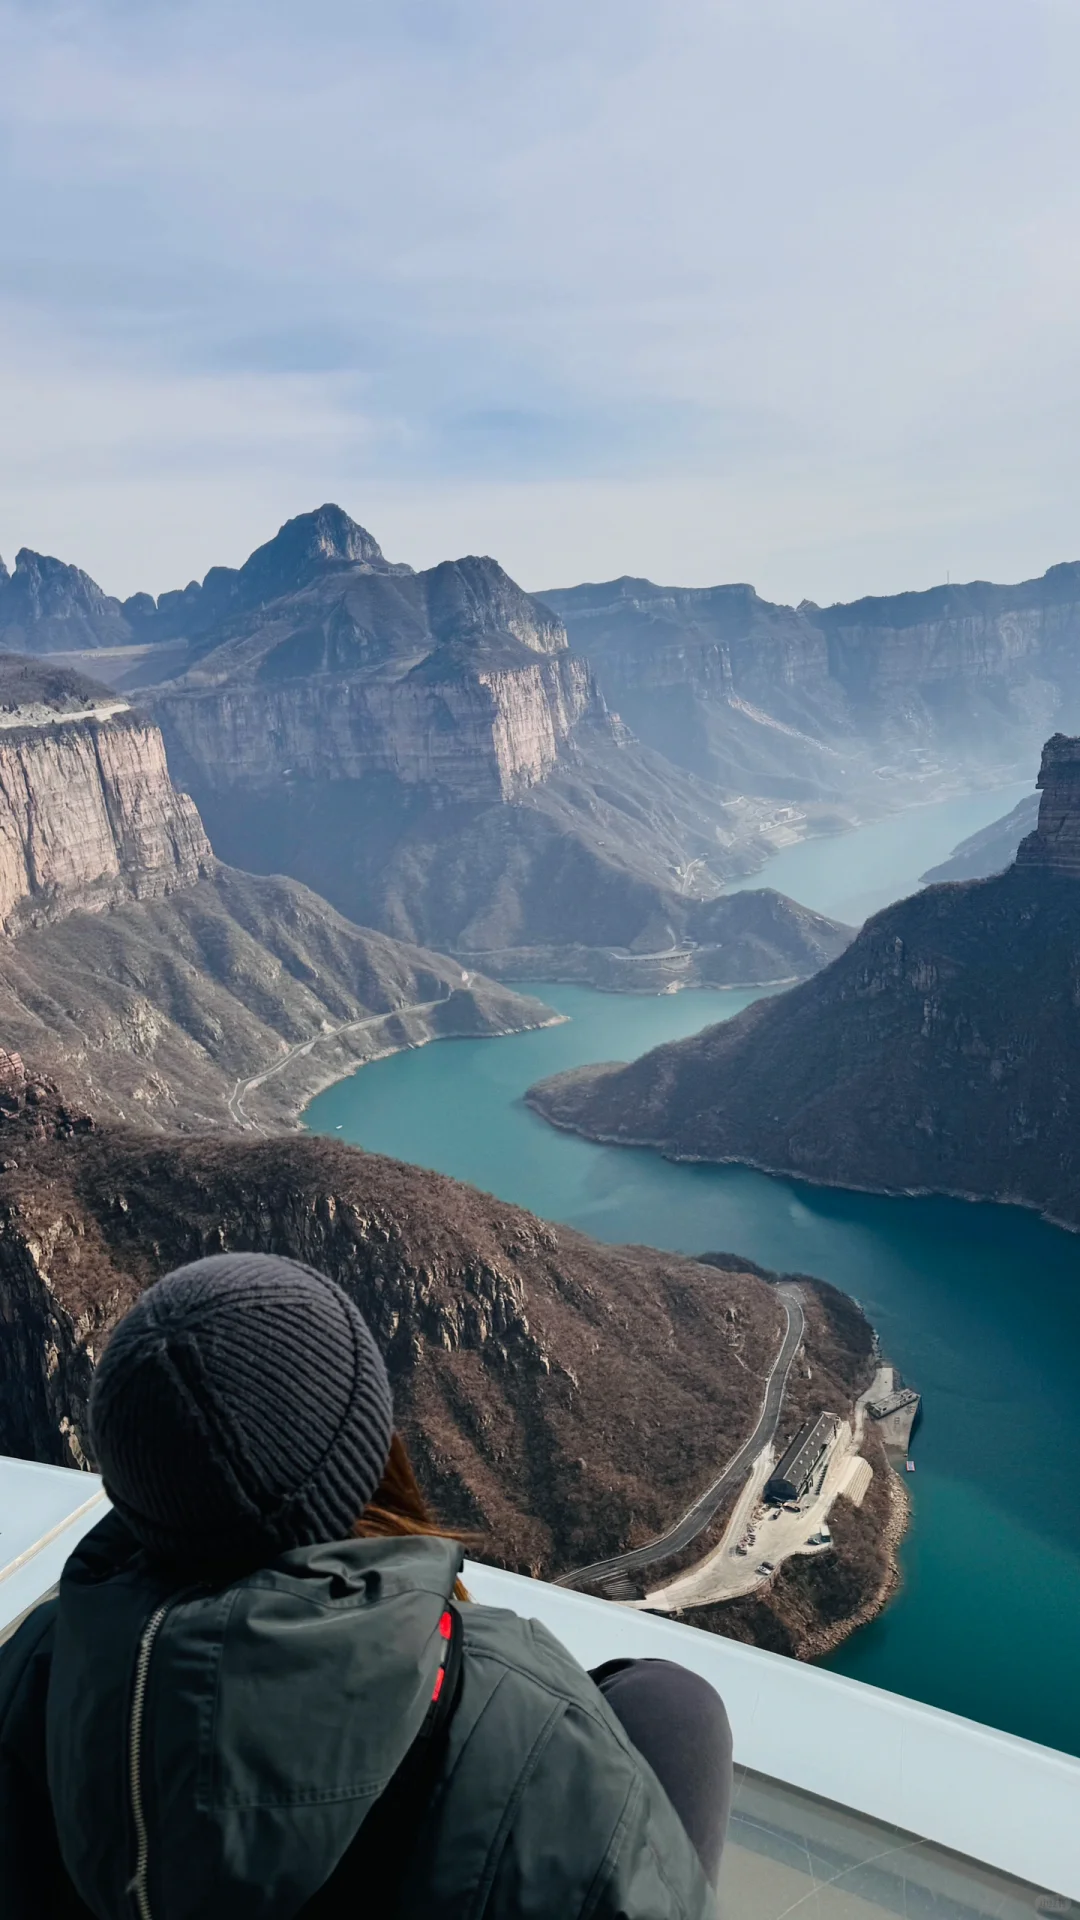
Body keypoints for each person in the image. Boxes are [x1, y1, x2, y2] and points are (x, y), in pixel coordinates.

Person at [0, 1252, 732, 1918]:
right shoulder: (517, 1708)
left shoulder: (34, 1669)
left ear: (137, 1490)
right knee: (672, 1708)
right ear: (371, 1458)